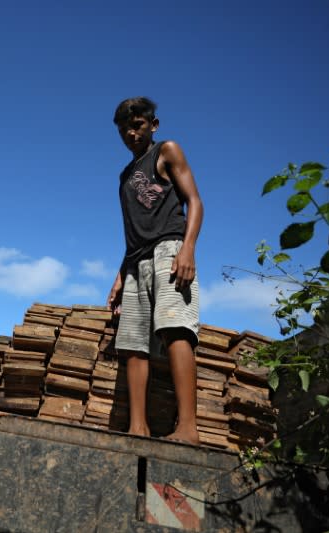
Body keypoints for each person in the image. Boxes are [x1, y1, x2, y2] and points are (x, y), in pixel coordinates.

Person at [106, 97, 204, 445]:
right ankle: (138, 428)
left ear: (153, 124)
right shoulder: (124, 176)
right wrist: (120, 275)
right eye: (124, 129)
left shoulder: (167, 151)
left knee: (175, 328)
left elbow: (194, 200)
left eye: (138, 125)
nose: (131, 133)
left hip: (169, 250)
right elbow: (133, 230)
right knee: (132, 344)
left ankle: (188, 428)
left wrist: (187, 248)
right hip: (135, 262)